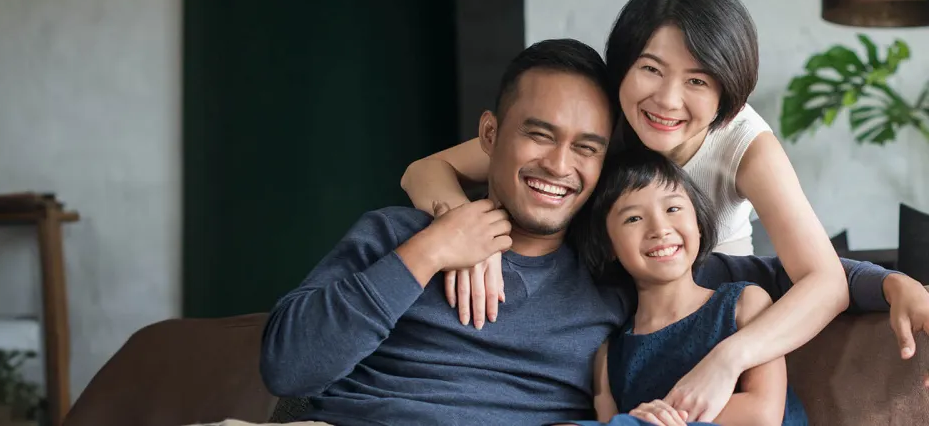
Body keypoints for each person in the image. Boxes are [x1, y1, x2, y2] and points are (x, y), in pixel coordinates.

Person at [256, 39, 906, 426]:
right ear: (490, 136)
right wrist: (429, 251)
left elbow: (789, 275)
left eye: (586, 148)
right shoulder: (395, 232)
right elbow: (287, 367)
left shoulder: (612, 267)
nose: (559, 166)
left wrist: (898, 286)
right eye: (539, 135)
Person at [398, 0, 886, 419]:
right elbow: (426, 170)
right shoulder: (598, 119)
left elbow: (824, 282)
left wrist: (728, 358)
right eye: (651, 69)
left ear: (727, 93)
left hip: (706, 326)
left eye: (697, 80)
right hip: (618, 326)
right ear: (623, 65)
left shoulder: (745, 146)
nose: (667, 100)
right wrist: (465, 233)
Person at [562, 148, 808, 426]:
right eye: (633, 218)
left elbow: (761, 415)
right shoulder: (610, 354)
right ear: (608, 246)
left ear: (698, 224)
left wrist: (653, 421)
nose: (660, 228)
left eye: (672, 209)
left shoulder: (743, 303)